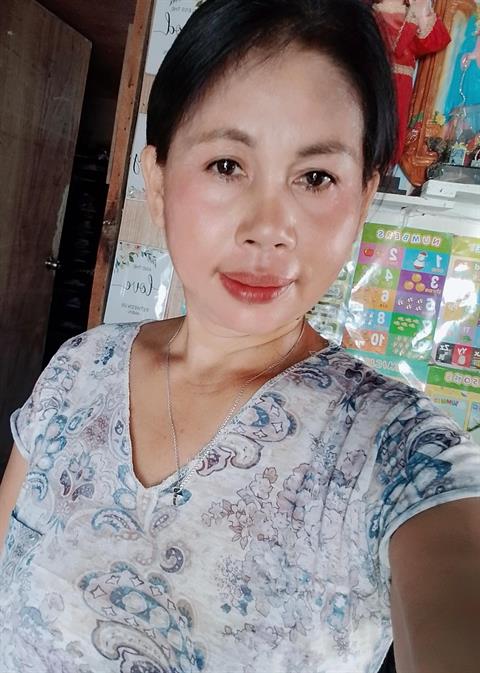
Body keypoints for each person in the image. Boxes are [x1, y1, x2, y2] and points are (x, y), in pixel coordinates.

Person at [0, 1, 479, 671]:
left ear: (363, 200)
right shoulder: (79, 369)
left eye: (316, 178)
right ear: (158, 181)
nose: (269, 229)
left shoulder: (395, 449)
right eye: (227, 165)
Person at [372, 0, 451, 162]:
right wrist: (414, 16)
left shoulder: (411, 10)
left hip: (401, 82)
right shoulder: (373, 13)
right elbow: (396, 47)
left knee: (394, 126)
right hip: (376, 76)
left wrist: (422, 12)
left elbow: (436, 41)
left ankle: (383, 166)